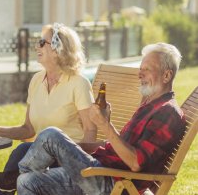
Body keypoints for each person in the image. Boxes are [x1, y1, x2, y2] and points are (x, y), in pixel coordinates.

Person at [12, 42, 186, 195]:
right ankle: (18, 175)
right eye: (140, 69)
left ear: (166, 75)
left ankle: (13, 176)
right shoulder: (149, 106)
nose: (140, 74)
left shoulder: (167, 113)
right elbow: (123, 147)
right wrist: (71, 148)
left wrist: (104, 124)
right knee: (27, 181)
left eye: (147, 69)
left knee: (50, 135)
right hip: (102, 171)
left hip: (114, 183)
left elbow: (135, 162)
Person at [0, 23, 97, 194]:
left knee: (23, 150)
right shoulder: (36, 80)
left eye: (41, 42)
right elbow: (28, 129)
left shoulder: (78, 83)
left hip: (67, 159)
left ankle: (9, 182)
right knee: (24, 150)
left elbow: (91, 129)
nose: (35, 46)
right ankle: (11, 181)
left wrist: (76, 157)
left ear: (57, 48)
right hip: (38, 158)